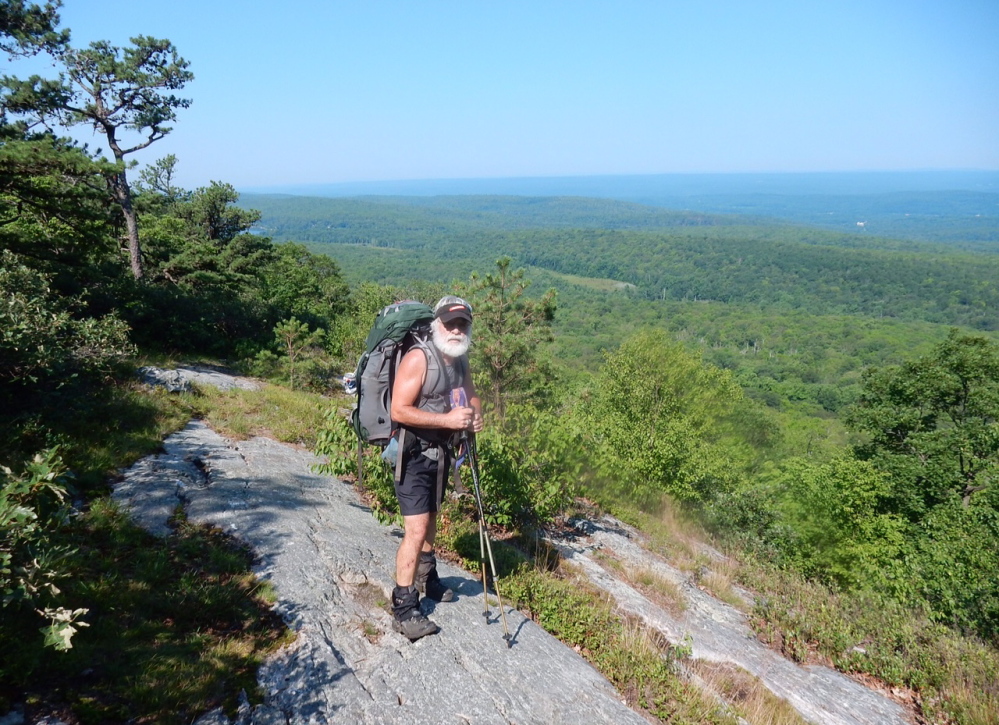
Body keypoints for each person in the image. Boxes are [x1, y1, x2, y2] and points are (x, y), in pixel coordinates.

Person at [388, 295, 483, 640]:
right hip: (412, 455)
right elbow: (399, 410)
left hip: (440, 454)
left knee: (431, 517)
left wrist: (474, 416)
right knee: (416, 529)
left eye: (463, 324)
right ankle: (403, 606)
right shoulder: (418, 359)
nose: (456, 330)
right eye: (450, 323)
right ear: (437, 325)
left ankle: (428, 578)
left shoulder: (460, 361)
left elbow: (471, 396)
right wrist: (446, 419)